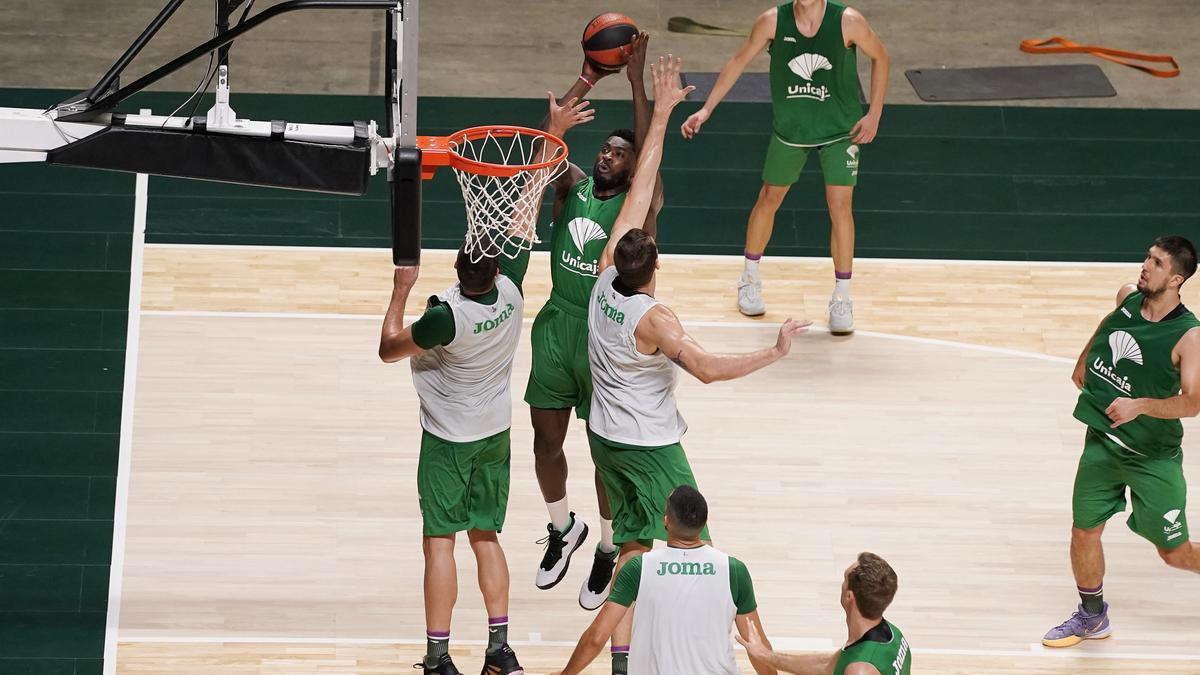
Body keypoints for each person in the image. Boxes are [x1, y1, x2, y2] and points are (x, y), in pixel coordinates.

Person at [587, 54, 808, 674]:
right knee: (701, 553)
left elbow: (639, 188)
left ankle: (622, 662)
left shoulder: (606, 277)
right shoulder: (656, 321)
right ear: (652, 269)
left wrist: (660, 119)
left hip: (605, 438)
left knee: (634, 548)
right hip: (649, 445)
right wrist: (775, 349)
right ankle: (746, 653)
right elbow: (707, 369)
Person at [527, 32, 667, 611]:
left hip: (602, 334)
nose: (607, 153)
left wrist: (636, 85)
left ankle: (608, 546)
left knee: (601, 452)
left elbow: (651, 159)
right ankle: (564, 529)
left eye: (618, 150)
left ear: (635, 167)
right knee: (544, 442)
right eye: (604, 148)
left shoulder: (639, 207)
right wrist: (558, 119)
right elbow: (539, 162)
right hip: (558, 325)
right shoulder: (574, 189)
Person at [681, 0, 890, 332]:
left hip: (840, 130)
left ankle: (842, 296)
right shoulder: (772, 21)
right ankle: (749, 278)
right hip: (791, 131)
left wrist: (875, 112)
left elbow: (880, 57)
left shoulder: (848, 21)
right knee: (769, 197)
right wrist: (706, 109)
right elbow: (738, 60)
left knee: (840, 207)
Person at [378, 241, 534, 675]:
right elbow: (520, 228)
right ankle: (500, 650)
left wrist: (400, 289)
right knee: (485, 537)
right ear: (498, 269)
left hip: (449, 438)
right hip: (495, 433)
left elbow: (389, 348)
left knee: (439, 542)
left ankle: (437, 658)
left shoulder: (445, 317)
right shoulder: (513, 291)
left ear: (456, 268)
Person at [1042, 235, 1200, 648]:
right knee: (1083, 531)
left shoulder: (1189, 336)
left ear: (1177, 279)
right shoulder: (1129, 297)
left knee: (1175, 554)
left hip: (1153, 458)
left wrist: (1141, 406)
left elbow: (1193, 404)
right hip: (1103, 443)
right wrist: (1083, 357)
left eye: (1158, 263)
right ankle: (1092, 616)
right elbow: (1108, 322)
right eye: (1147, 257)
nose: (1146, 266)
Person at [550, 486, 776, 675]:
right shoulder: (734, 570)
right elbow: (757, 646)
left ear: (666, 521)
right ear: (704, 523)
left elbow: (596, 638)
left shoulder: (639, 568)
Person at [737, 553, 911, 675]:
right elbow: (827, 666)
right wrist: (767, 656)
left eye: (844, 580)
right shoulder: (893, 635)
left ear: (850, 596)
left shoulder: (859, 669)